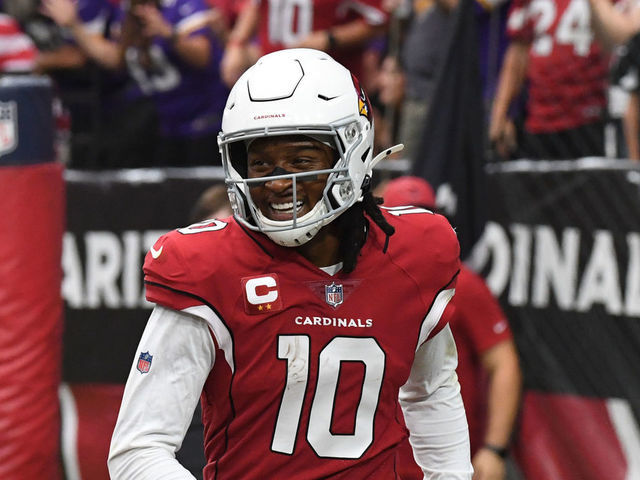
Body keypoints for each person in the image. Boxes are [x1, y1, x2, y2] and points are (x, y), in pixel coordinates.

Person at [108, 48, 473, 479]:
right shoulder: (209, 268)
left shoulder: (411, 254)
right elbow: (138, 450)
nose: (279, 181)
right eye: (260, 162)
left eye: (302, 160)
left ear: (351, 154)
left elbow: (430, 392)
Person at [381, 176, 522, 480]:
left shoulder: (463, 283)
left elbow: (503, 362)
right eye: (402, 217)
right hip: (374, 460)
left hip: (443, 460)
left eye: (421, 215)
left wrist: (494, 448)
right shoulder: (366, 284)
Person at [43, 0, 228, 166]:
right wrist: (75, 26)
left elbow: (203, 56)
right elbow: (116, 60)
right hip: (162, 127)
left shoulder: (184, 5)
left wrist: (168, 33)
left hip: (201, 120)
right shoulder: (127, 12)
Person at [488, 0, 626, 160]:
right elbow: (519, 50)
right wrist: (500, 114)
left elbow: (621, 38)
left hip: (592, 116)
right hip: (539, 116)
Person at [220, 0, 389, 88]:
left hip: (325, 82)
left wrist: (330, 38)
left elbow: (379, 20)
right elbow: (255, 6)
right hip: (272, 75)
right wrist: (237, 44)